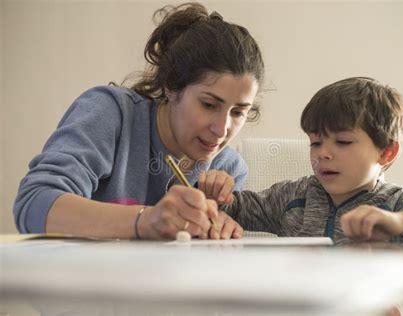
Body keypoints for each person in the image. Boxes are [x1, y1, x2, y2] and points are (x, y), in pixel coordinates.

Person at [13, 3, 264, 240]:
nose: (221, 130)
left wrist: (219, 228)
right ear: (171, 87)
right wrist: (146, 220)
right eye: (209, 105)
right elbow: (34, 204)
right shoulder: (111, 113)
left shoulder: (228, 169)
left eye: (238, 112)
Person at [209, 77, 403, 242]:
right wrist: (215, 192)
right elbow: (233, 208)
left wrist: (402, 222)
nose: (323, 153)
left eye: (343, 142)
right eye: (315, 142)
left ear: (386, 152)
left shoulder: (395, 204)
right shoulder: (294, 197)